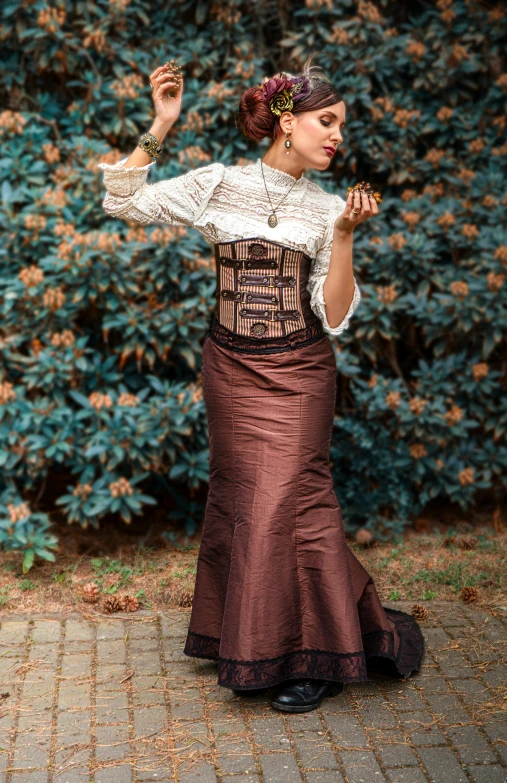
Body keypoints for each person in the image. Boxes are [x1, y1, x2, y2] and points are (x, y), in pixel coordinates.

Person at [98, 54, 425, 714]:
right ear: (286, 121)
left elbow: (333, 313)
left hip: (299, 370)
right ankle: (244, 635)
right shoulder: (218, 184)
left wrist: (343, 235)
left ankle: (318, 653)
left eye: (341, 125)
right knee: (244, 500)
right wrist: (160, 125)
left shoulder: (331, 207)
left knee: (291, 500)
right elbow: (122, 200)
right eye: (326, 121)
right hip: (230, 367)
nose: (336, 135)